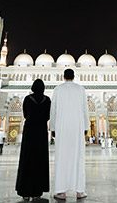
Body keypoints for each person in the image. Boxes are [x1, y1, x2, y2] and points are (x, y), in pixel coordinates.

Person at [50, 68, 89, 200]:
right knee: (78, 157)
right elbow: (85, 109)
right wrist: (86, 127)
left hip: (62, 127)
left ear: (63, 77)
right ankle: (80, 191)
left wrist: (53, 128)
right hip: (77, 127)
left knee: (62, 157)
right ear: (74, 76)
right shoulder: (81, 89)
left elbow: (53, 110)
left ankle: (61, 191)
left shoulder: (57, 89)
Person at [15, 79, 51, 201]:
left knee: (27, 159)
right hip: (41, 132)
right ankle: (37, 191)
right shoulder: (47, 100)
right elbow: (48, 116)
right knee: (40, 160)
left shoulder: (27, 99)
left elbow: (25, 114)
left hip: (30, 131)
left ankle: (25, 192)